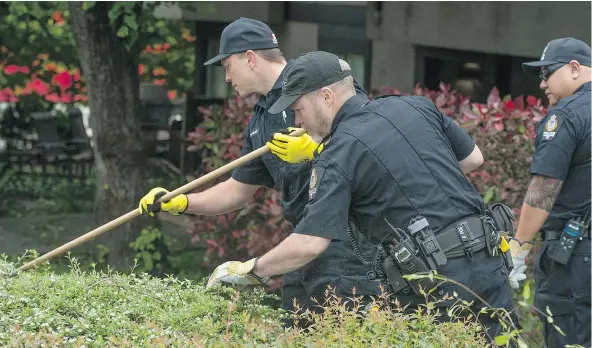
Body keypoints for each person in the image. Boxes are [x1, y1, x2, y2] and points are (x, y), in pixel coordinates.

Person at [205, 51, 517, 344]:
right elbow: (473, 158)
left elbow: (309, 243)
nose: (297, 122)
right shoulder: (414, 106)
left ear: (326, 97)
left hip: (437, 282)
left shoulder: (337, 154)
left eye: (298, 109)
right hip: (489, 258)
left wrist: (252, 270)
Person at [137, 17, 383, 323]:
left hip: (353, 246)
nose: (226, 78)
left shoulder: (318, 79)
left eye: (227, 66)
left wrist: (318, 150)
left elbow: (371, 142)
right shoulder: (261, 120)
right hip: (303, 247)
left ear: (249, 58)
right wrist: (183, 202)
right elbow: (239, 190)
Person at [509, 37, 591, 348]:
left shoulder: (567, 116)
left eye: (547, 73)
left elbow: (544, 189)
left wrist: (519, 247)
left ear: (574, 68)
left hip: (577, 259)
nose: (542, 84)